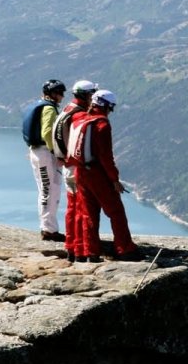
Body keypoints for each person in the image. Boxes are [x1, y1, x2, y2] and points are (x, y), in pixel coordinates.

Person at [66, 89, 142, 262]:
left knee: (88, 213)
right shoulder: (102, 124)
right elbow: (106, 157)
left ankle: (89, 252)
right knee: (116, 212)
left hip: (80, 172)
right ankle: (125, 249)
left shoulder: (80, 118)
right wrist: (114, 180)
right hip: (97, 174)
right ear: (108, 106)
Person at [54, 80, 97, 260]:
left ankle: (71, 246)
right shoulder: (79, 115)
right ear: (87, 95)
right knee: (83, 209)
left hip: (65, 165)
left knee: (72, 208)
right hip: (76, 167)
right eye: (92, 94)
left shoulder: (66, 109)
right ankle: (82, 251)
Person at [21, 79, 66, 241]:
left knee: (48, 189)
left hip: (37, 151)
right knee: (48, 190)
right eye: (60, 93)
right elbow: (47, 132)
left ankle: (49, 227)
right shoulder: (49, 109)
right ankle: (48, 230)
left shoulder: (37, 105)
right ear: (53, 94)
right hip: (46, 153)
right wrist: (56, 151)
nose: (62, 96)